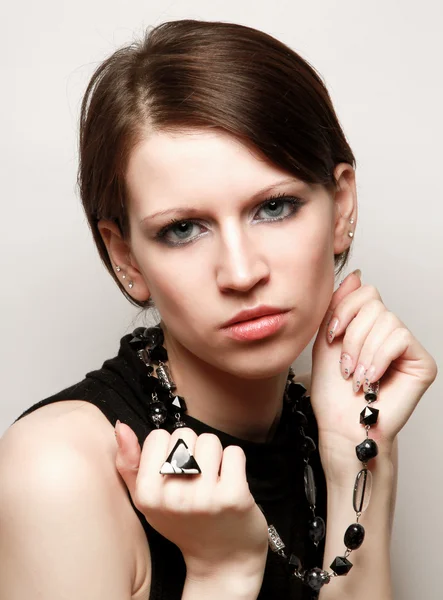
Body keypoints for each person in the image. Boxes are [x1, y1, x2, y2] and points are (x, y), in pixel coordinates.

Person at [0, 18, 437, 600]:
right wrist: (221, 573)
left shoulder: (342, 417)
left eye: (275, 207)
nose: (240, 272)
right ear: (126, 257)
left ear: (340, 208)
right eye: (183, 228)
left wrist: (359, 457)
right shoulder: (55, 472)